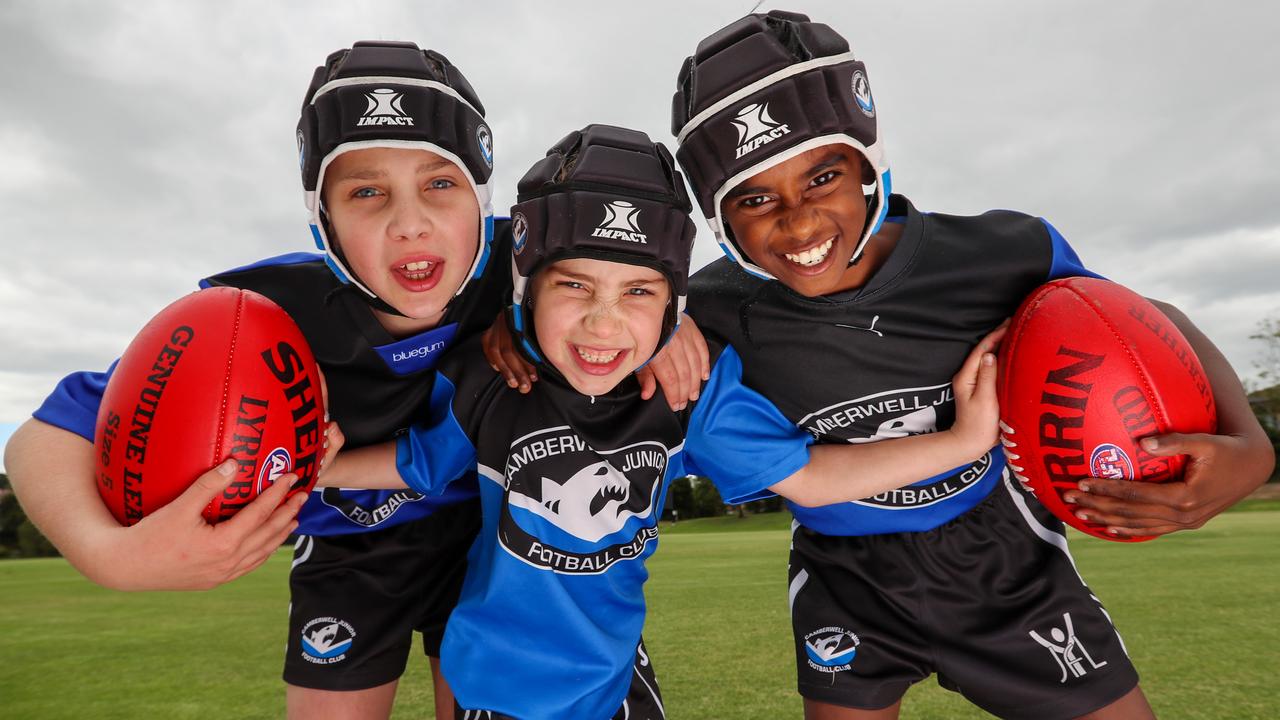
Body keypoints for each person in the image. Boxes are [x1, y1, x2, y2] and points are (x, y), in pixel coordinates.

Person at [2, 41, 705, 720]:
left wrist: (680, 321)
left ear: (482, 200)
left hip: (495, 536)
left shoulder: (536, 274)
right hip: (350, 543)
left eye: (440, 184)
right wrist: (112, 558)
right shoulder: (264, 319)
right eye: (367, 191)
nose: (411, 224)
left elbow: (634, 269)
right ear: (323, 218)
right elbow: (43, 433)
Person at [668, 10, 1275, 720]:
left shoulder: (1000, 256)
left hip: (1004, 559)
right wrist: (663, 322)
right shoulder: (707, 312)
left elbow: (1145, 318)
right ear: (717, 215)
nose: (799, 223)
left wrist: (1250, 449)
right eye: (755, 198)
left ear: (867, 158)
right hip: (845, 571)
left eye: (823, 177)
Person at [317, 123, 1007, 719]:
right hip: (494, 687)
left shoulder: (689, 395)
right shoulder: (492, 382)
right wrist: (322, 468)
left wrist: (963, 441)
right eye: (574, 285)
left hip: (617, 681)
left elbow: (814, 477)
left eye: (639, 291)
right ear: (527, 289)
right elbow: (412, 462)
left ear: (674, 303)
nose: (604, 321)